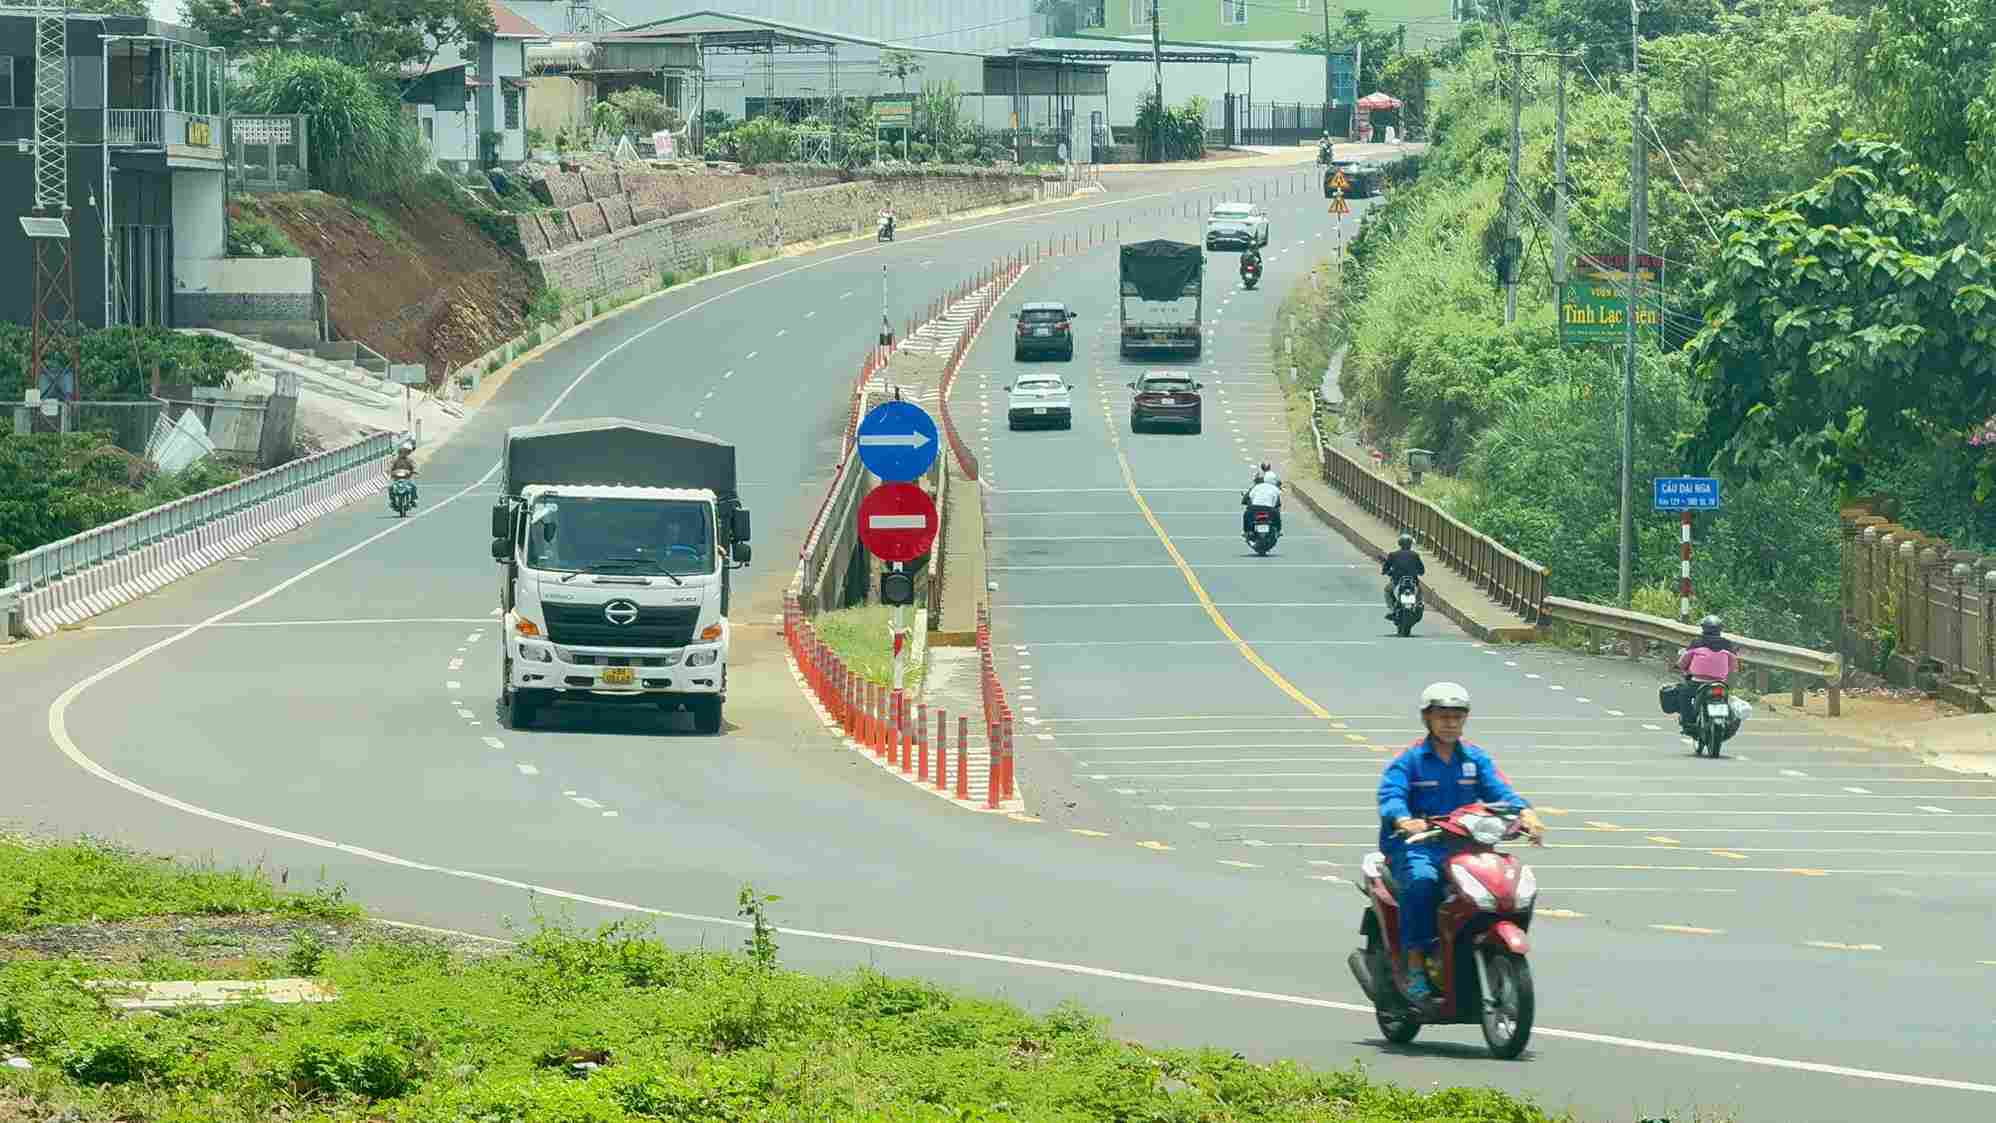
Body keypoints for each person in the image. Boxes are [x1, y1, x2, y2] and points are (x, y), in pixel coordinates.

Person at [1377, 682, 1545, 1005]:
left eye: (1457, 717)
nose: (1450, 723)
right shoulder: (1409, 760)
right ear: (1427, 719)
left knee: (1503, 881)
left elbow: (1502, 792)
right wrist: (1403, 819)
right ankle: (1415, 964)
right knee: (1422, 883)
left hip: (1466, 846)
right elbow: (1391, 796)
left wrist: (1527, 814)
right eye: (1443, 717)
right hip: (1417, 846)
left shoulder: (1475, 758)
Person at [1677, 615, 1738, 734]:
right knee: (1727, 700)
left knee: (1683, 694)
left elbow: (1683, 661)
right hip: (1720, 683)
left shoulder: (1697, 643)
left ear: (1703, 628)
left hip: (1697, 682)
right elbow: (1734, 665)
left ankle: (1688, 722)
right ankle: (1728, 721)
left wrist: (1681, 667)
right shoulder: (1727, 644)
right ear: (1720, 629)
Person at [1382, 532, 1425, 619]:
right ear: (1410, 544)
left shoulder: (1393, 555)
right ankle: (1419, 605)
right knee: (1420, 592)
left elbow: (1385, 568)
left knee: (1387, 590)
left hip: (1397, 580)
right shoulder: (1415, 555)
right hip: (1413, 580)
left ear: (1400, 543)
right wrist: (1418, 572)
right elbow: (1422, 570)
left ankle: (1392, 609)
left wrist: (1386, 572)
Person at [1242, 469, 1282, 537]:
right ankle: (1278, 531)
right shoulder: (1276, 489)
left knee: (1246, 515)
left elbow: (1251, 496)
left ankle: (1246, 532)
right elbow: (1277, 502)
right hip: (1269, 509)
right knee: (1277, 517)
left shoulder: (1257, 486)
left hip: (1255, 508)